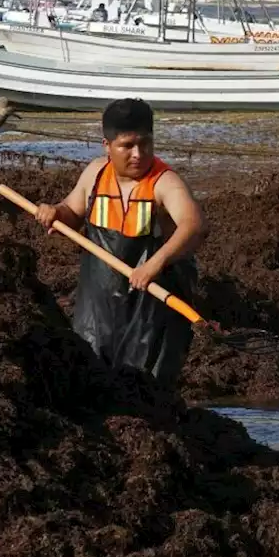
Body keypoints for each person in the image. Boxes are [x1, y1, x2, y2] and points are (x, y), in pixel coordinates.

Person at [36, 98, 208, 385]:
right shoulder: (95, 173)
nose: (138, 154)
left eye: (145, 143)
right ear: (107, 146)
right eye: (127, 146)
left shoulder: (165, 182)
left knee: (146, 386)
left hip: (151, 305)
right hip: (98, 303)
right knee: (92, 378)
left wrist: (154, 264)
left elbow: (195, 225)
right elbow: (71, 212)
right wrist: (54, 212)